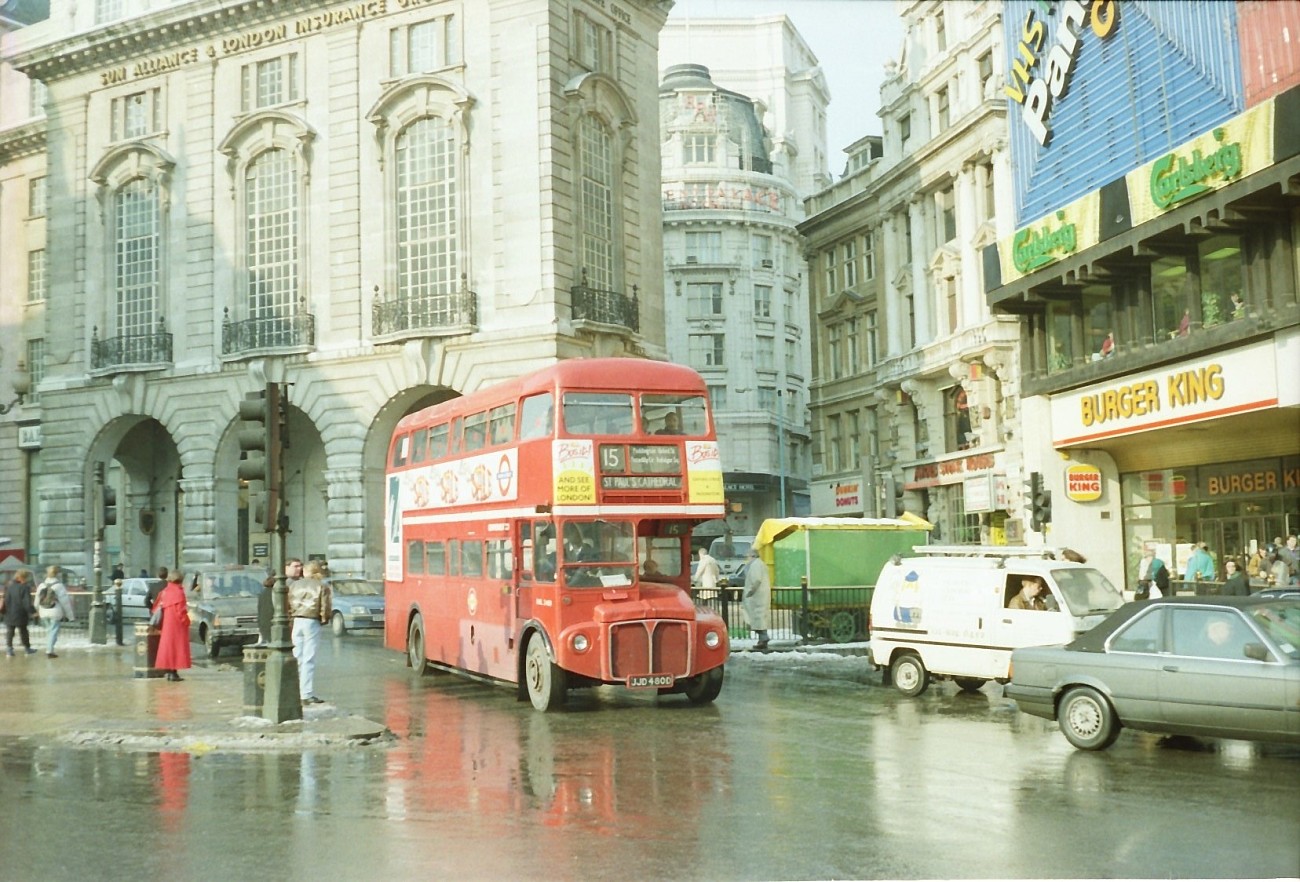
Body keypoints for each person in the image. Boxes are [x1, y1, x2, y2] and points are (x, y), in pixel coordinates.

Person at [288, 559, 332, 705]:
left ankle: (294, 689)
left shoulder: (295, 585)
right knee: (309, 658)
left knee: (297, 656)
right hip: (311, 621)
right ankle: (306, 693)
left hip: (297, 620)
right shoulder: (322, 586)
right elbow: (325, 607)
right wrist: (324, 619)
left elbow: (288, 603)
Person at [152, 571, 191, 681]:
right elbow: (181, 611)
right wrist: (187, 621)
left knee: (168, 648)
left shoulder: (165, 592)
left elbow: (156, 606)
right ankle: (174, 672)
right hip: (177, 625)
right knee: (176, 649)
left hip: (167, 623)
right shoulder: (179, 592)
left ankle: (169, 672)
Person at [36, 565, 75, 658]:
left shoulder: (41, 585)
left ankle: (49, 648)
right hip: (55, 611)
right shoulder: (59, 586)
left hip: (43, 611)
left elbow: (37, 599)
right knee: (53, 631)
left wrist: (36, 610)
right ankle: (49, 650)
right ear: (57, 574)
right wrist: (70, 616)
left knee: (49, 631)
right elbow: (65, 602)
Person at [3, 568, 38, 657]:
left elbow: (6, 600)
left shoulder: (9, 586)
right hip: (20, 613)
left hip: (9, 612)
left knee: (10, 632)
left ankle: (9, 650)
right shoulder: (24, 587)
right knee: (23, 631)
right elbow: (26, 602)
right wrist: (33, 612)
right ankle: (27, 649)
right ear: (23, 577)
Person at [741, 548, 771, 650]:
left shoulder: (755, 565)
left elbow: (756, 580)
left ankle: (763, 638)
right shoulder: (760, 564)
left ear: (752, 556)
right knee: (759, 619)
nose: (747, 559)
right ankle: (762, 639)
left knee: (757, 619)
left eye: (747, 557)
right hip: (760, 596)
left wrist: (750, 592)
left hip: (756, 597)